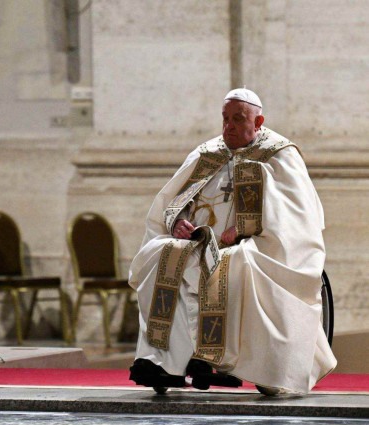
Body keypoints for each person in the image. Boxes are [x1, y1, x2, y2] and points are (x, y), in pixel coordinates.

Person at [128, 88, 336, 394]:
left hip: (256, 246)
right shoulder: (208, 152)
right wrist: (178, 223)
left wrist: (245, 227)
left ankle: (213, 358)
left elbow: (297, 216)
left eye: (238, 119)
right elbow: (173, 201)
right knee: (161, 253)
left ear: (258, 121)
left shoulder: (279, 154)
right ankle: (163, 362)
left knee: (232, 263)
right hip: (197, 244)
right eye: (225, 119)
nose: (228, 127)